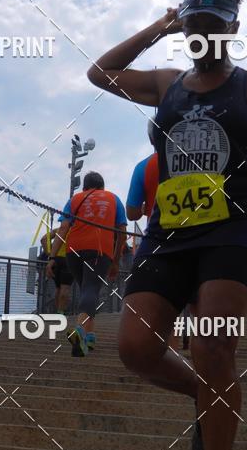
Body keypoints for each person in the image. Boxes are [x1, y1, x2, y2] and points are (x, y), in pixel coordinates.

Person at [88, 0, 247, 450]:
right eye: (193, 26)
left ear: (232, 29)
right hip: (169, 232)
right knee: (136, 349)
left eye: (213, 25)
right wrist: (159, 26)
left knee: (213, 346)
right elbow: (100, 73)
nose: (201, 36)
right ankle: (202, 396)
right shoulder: (167, 84)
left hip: (233, 229)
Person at [47, 172, 127, 356]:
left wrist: (51, 257)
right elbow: (122, 233)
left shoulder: (75, 199)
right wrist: (116, 261)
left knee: (87, 290)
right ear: (102, 186)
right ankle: (80, 331)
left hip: (73, 251)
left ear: (84, 187)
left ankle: (89, 338)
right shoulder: (113, 199)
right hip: (99, 250)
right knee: (91, 288)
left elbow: (63, 228)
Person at [126, 121, 159, 222]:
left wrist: (146, 207)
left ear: (151, 139)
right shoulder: (196, 160)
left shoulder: (143, 167)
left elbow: (132, 214)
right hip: (199, 228)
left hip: (158, 229)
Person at [41, 228, 73, 314]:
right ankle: (60, 313)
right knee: (65, 288)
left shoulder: (58, 230)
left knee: (58, 288)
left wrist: (50, 254)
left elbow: (43, 239)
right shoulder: (76, 230)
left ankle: (57, 312)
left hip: (56, 260)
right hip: (69, 259)